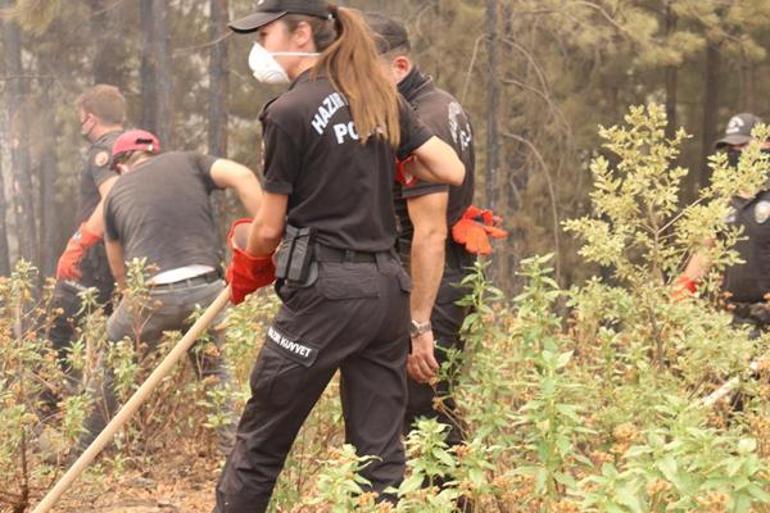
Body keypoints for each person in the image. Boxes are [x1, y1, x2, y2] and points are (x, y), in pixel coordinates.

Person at [215, 1, 465, 511]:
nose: (259, 49)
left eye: (264, 35)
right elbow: (450, 168)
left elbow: (269, 227)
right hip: (384, 296)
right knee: (379, 458)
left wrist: (248, 258)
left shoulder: (287, 112)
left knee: (262, 440)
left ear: (301, 33)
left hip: (325, 295)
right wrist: (401, 158)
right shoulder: (377, 98)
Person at [368, 13, 505, 508]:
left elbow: (427, 228)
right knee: (426, 402)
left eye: (364, 68)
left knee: (423, 404)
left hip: (432, 271)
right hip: (443, 269)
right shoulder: (437, 103)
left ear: (399, 65)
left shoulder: (421, 116)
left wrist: (416, 319)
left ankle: (454, 503)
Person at [77, 129, 263, 456]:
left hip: (150, 295)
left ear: (120, 164)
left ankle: (85, 449)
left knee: (112, 359)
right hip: (206, 290)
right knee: (214, 371)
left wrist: (133, 313)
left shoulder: (116, 193)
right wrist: (269, 237)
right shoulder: (189, 162)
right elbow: (244, 176)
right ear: (155, 152)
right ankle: (232, 453)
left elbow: (120, 270)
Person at [49, 85, 126, 383]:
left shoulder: (104, 149)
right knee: (118, 341)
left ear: (91, 118)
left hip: (96, 262)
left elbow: (112, 196)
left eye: (82, 119)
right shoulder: (137, 147)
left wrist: (79, 244)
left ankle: (53, 416)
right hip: (127, 258)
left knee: (59, 334)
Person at [676, 113, 770, 332]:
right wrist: (678, 298)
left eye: (743, 145)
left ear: (765, 144)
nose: (736, 153)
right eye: (731, 148)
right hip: (734, 323)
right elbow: (703, 255)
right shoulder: (724, 203)